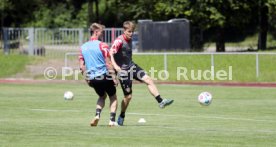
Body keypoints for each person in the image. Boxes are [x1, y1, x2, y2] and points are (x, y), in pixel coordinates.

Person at [109, 21, 174, 126]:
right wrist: (116, 67)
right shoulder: (119, 41)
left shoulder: (130, 39)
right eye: (129, 31)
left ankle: (161, 101)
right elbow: (110, 53)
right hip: (123, 71)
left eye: (132, 32)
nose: (131, 34)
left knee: (148, 79)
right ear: (124, 31)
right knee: (128, 97)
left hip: (132, 67)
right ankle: (121, 115)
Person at [79, 23, 118, 127]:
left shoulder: (83, 47)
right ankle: (112, 121)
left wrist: (87, 79)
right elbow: (108, 63)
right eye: (102, 32)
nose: (103, 34)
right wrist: (114, 77)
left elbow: (82, 67)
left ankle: (97, 115)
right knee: (113, 97)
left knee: (102, 96)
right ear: (96, 32)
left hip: (93, 78)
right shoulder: (102, 45)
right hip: (104, 76)